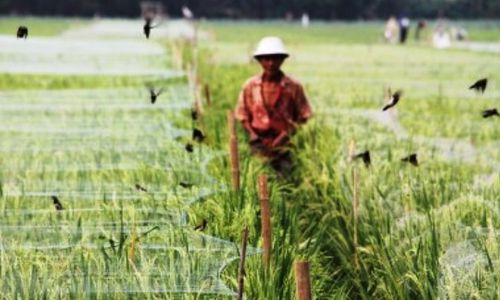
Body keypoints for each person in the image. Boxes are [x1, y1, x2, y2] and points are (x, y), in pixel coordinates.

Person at [235, 37, 312, 176]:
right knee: (258, 180)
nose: (271, 63)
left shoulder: (293, 87)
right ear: (259, 60)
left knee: (284, 182)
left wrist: (285, 135)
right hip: (258, 143)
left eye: (275, 59)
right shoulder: (250, 86)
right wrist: (253, 135)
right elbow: (242, 114)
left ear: (282, 60)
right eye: (266, 59)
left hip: (284, 146)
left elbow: (303, 115)